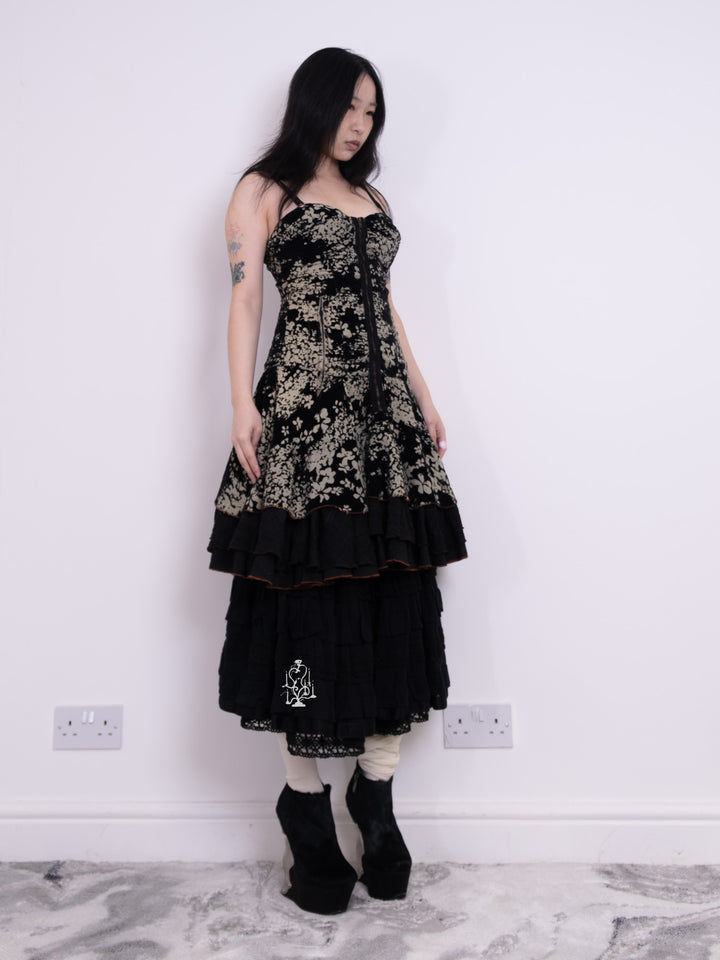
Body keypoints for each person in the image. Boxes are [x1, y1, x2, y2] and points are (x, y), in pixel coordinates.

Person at [207, 47, 467, 915]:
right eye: (350, 107)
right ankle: (305, 803)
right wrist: (241, 403)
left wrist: (423, 393)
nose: (361, 125)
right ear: (315, 103)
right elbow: (246, 300)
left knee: (396, 593)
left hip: (385, 425)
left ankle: (375, 793)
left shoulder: (374, 200)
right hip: (303, 420)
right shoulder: (263, 190)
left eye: (372, 112)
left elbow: (384, 302)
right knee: (301, 603)